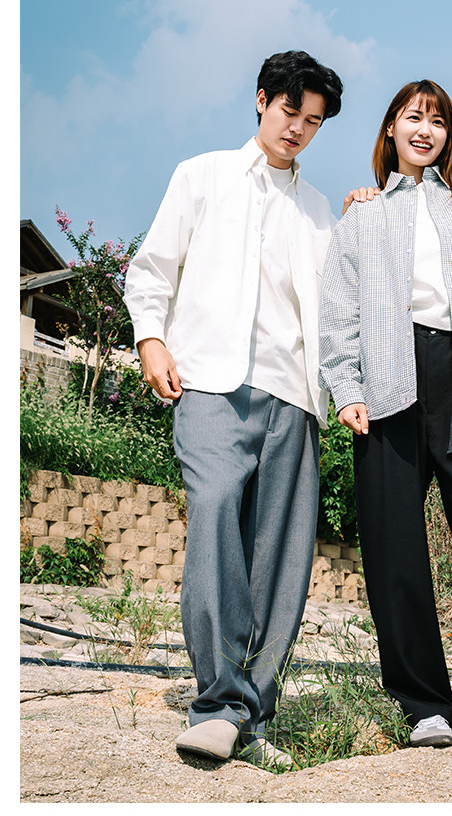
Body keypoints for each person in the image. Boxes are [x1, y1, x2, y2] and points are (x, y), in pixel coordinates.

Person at [124, 50, 349, 767]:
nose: (298, 128)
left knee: (280, 557)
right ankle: (219, 702)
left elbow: (342, 307)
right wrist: (151, 338)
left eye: (313, 121)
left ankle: (253, 717)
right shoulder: (202, 175)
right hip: (210, 384)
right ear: (261, 100)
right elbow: (152, 269)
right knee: (216, 508)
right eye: (290, 111)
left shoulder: (320, 212)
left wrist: (364, 218)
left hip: (294, 395)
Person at [318, 79, 452, 780]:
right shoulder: (363, 214)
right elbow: (339, 310)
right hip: (389, 379)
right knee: (394, 546)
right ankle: (424, 704)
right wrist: (347, 388)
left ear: (450, 135)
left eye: (438, 120)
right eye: (413, 117)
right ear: (391, 128)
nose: (426, 129)